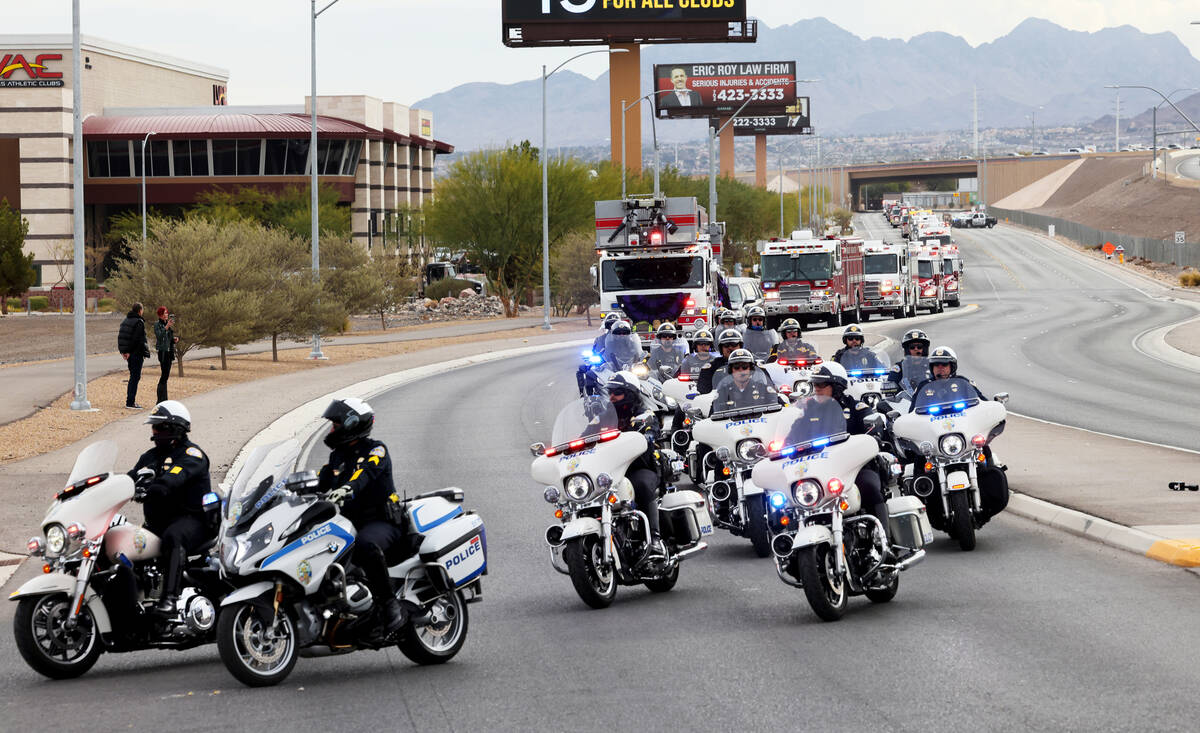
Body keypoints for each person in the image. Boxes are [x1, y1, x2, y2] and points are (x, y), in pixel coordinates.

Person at [317, 397, 409, 632]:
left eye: (336, 425)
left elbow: (365, 474)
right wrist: (286, 489)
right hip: (350, 523)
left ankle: (389, 604)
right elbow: (321, 479)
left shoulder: (376, 450)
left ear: (352, 424)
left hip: (381, 522)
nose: (332, 429)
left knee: (365, 546)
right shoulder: (337, 456)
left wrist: (346, 489)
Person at [127, 401, 214, 614]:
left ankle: (170, 599)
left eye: (160, 427)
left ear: (176, 429)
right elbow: (130, 477)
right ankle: (128, 602)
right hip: (157, 523)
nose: (155, 431)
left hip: (191, 521)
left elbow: (174, 478)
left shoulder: (192, 455)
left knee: (174, 536)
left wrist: (155, 486)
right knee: (124, 541)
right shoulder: (149, 456)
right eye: (154, 427)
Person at [908, 346, 1009, 526]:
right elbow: (912, 413)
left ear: (952, 366)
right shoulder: (924, 387)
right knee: (919, 458)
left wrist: (992, 410)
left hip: (963, 436)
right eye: (936, 365)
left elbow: (982, 403)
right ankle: (920, 499)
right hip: (937, 439)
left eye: (944, 365)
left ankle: (990, 484)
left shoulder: (965, 383)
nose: (940, 369)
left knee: (983, 447)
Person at [806, 363, 891, 545]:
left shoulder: (856, 408)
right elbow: (791, 435)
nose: (817, 389)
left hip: (854, 469)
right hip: (817, 471)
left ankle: (884, 540)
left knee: (869, 486)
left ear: (837, 387)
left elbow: (872, 426)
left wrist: (874, 433)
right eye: (815, 385)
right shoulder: (807, 411)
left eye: (822, 385)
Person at [606, 372, 668, 559]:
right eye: (610, 392)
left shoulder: (644, 416)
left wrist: (647, 437)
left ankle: (655, 540)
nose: (611, 397)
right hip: (609, 472)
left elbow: (651, 433)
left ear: (630, 394)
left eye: (617, 392)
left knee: (641, 485)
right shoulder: (604, 418)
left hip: (639, 467)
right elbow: (585, 436)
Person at [712, 349, 778, 411]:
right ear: (730, 370)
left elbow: (781, 409)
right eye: (736, 367)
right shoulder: (722, 393)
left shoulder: (764, 389)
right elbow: (712, 418)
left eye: (745, 367)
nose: (741, 371)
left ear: (751, 369)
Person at [578, 313, 622, 394]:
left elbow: (633, 350)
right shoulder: (600, 339)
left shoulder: (625, 338)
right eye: (610, 324)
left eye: (614, 324)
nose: (612, 327)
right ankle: (587, 396)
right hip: (605, 365)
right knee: (587, 372)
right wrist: (593, 356)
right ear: (607, 326)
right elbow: (595, 351)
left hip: (623, 365)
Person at [117, 303, 150, 409]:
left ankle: (130, 401)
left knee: (133, 377)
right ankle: (130, 402)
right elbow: (137, 340)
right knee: (135, 377)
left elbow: (121, 337)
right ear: (140, 310)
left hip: (129, 354)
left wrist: (124, 352)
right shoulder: (139, 322)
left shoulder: (125, 321)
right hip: (136, 354)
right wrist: (130, 351)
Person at [696, 328, 744, 394]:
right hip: (721, 401)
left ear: (740, 346)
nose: (730, 348)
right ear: (721, 348)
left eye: (734, 344)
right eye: (726, 345)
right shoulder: (711, 368)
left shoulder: (750, 364)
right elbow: (703, 391)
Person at [153, 307, 178, 403]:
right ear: (160, 315)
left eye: (167, 313)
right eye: (164, 313)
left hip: (169, 352)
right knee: (164, 376)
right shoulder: (157, 324)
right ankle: (160, 400)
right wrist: (167, 326)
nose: (166, 315)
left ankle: (165, 399)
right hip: (163, 353)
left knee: (166, 377)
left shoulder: (167, 324)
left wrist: (174, 340)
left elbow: (168, 338)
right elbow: (159, 336)